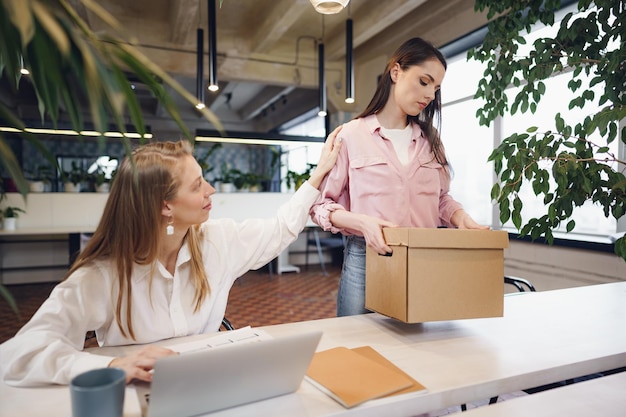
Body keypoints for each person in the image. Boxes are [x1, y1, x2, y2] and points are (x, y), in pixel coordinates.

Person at [1, 130, 342, 387]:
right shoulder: (103, 274)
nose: (210, 191)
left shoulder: (218, 241)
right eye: (197, 186)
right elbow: (18, 354)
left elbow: (280, 228)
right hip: (139, 393)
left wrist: (318, 174)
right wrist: (110, 367)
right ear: (165, 206)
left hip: (209, 385)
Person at [310, 37, 488, 317]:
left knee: (416, 348)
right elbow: (320, 206)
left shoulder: (431, 140)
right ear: (396, 72)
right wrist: (362, 222)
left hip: (424, 257)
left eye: (436, 87)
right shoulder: (351, 135)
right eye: (424, 81)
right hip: (367, 258)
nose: (430, 94)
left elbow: (441, 199)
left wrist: (460, 217)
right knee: (358, 347)